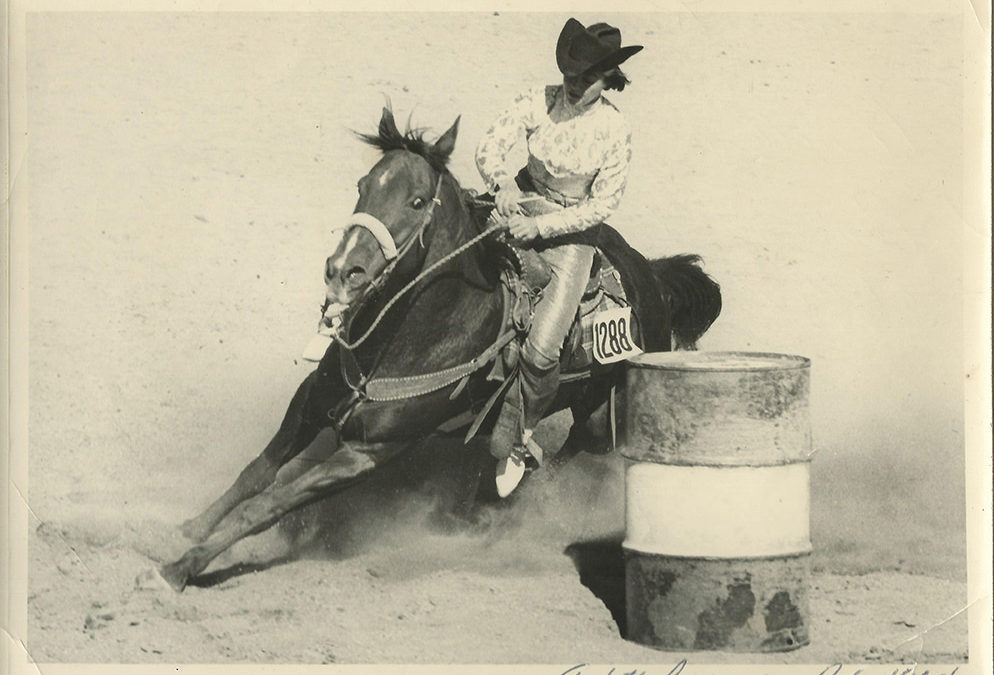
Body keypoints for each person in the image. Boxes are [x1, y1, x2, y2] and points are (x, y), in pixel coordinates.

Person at [475, 18, 643, 497]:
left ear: (608, 79)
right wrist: (502, 184)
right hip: (520, 203)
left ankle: (518, 438)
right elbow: (490, 145)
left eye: (588, 78)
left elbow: (603, 205)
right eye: (572, 72)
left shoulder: (614, 128)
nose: (575, 83)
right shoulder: (537, 99)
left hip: (573, 235)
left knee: (543, 346)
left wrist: (541, 226)